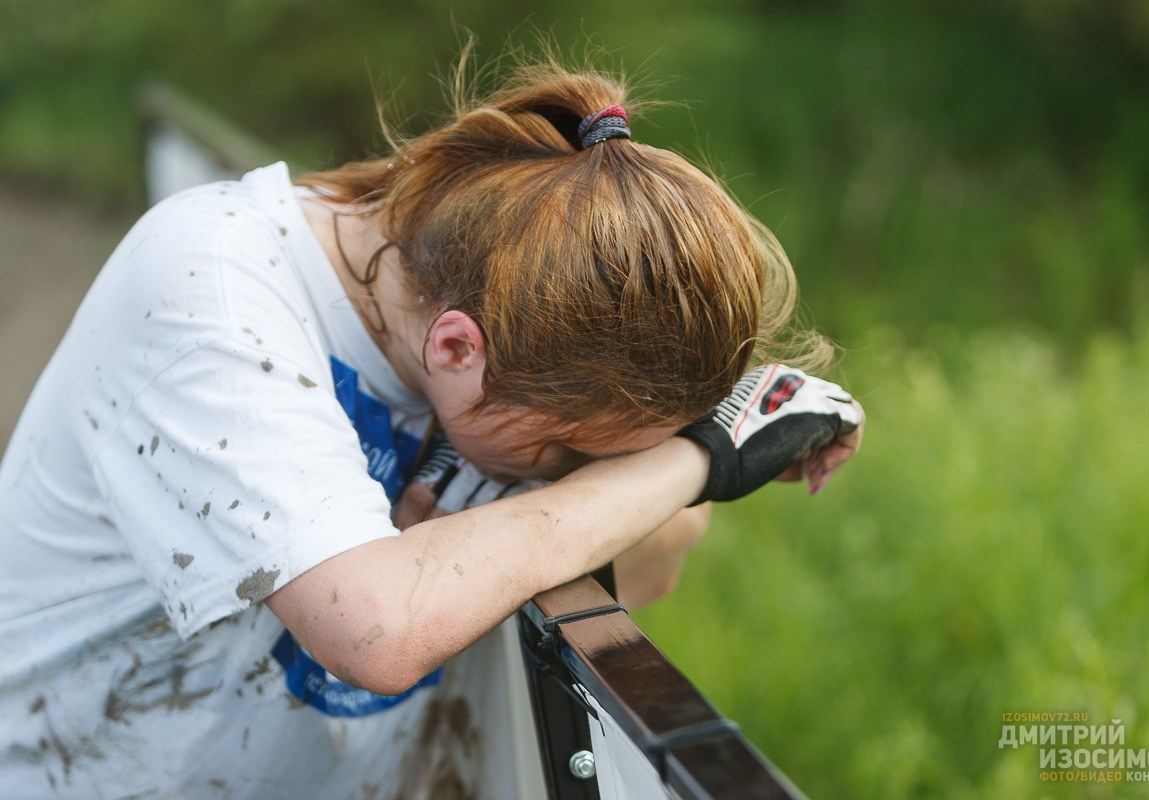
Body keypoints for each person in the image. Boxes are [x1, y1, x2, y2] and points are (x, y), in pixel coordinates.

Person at [0, 53, 863, 798]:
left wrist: (665, 464)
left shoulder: (495, 316)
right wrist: (703, 458)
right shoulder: (211, 291)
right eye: (566, 449)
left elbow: (657, 556)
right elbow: (378, 631)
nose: (566, 474)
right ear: (457, 347)